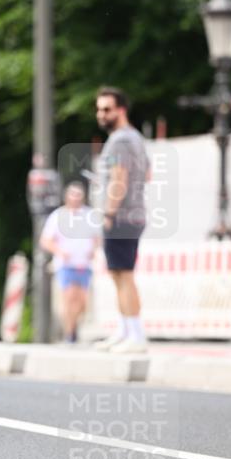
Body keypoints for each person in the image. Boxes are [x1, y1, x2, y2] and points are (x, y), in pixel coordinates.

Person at [94, 86, 151, 353]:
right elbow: (147, 174)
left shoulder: (120, 141)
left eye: (107, 109)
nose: (101, 114)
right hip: (133, 213)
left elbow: (119, 178)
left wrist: (109, 213)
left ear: (121, 110)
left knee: (124, 275)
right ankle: (126, 329)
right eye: (99, 109)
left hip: (122, 217)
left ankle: (135, 335)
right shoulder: (135, 138)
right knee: (118, 274)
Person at [40, 181, 100, 342]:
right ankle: (70, 334)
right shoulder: (57, 216)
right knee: (69, 298)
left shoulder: (89, 215)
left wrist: (93, 250)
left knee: (82, 302)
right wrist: (60, 252)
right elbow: (45, 240)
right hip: (65, 265)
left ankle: (73, 326)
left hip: (84, 264)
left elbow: (97, 237)